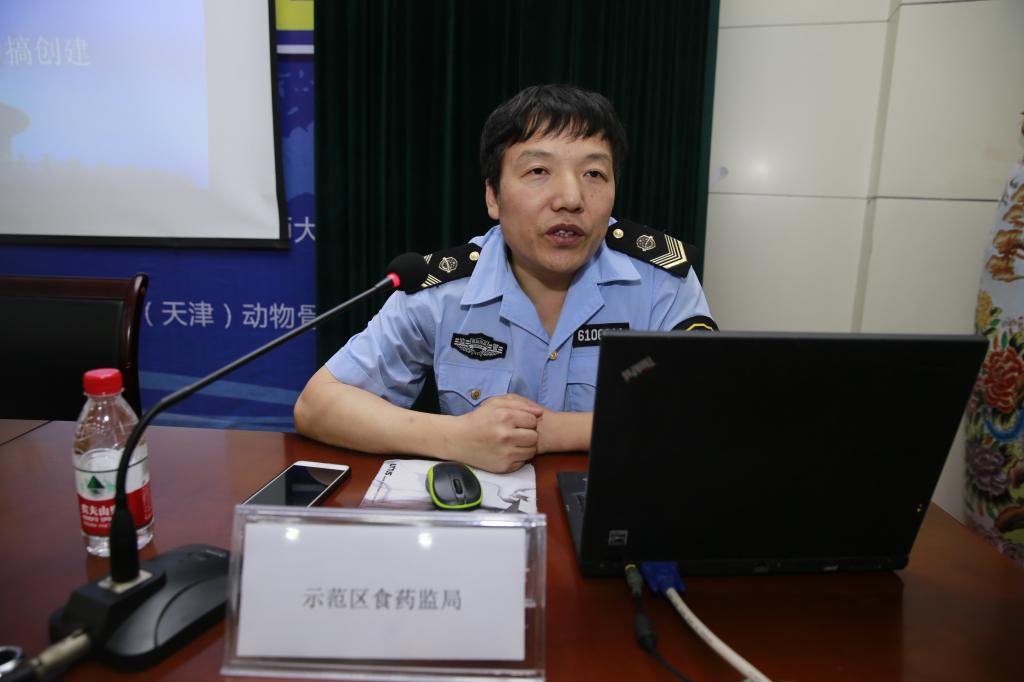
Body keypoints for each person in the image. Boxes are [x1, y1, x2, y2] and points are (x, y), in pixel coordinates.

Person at [294, 84, 715, 473]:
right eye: (539, 171)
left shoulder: (660, 281)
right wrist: (455, 437)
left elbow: (706, 411)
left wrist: (553, 432)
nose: (571, 199)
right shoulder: (443, 288)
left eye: (594, 174)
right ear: (493, 196)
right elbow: (317, 406)